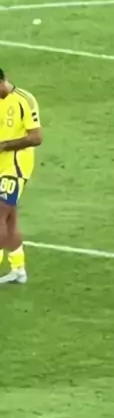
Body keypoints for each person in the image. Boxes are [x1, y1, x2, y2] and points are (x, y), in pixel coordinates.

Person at [0, 68, 43, 284]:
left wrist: (5, 146)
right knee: (10, 220)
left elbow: (36, 137)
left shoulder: (24, 100)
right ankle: (18, 269)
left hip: (15, 167)